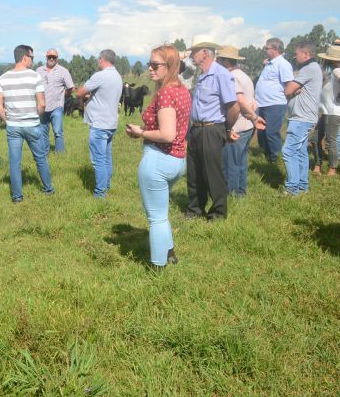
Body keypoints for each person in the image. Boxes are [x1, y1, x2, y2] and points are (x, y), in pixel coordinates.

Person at [125, 45, 191, 268]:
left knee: (156, 217)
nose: (150, 69)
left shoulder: (165, 94)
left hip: (159, 160)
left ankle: (157, 266)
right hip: (178, 159)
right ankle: (169, 252)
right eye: (149, 64)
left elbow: (167, 134)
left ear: (170, 66)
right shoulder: (181, 90)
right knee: (161, 213)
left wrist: (141, 132)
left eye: (156, 65)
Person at [186, 35, 239, 220]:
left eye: (194, 51)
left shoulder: (221, 74)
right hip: (196, 129)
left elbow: (233, 107)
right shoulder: (201, 76)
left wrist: (225, 129)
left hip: (211, 129)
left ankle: (218, 212)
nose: (191, 55)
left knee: (212, 173)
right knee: (194, 172)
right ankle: (195, 209)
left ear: (205, 53)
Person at [0, 45, 54, 203]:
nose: (33, 61)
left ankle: (17, 197)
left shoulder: (3, 78)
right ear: (24, 58)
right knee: (40, 158)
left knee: (14, 162)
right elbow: (42, 104)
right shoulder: (35, 76)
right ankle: (48, 189)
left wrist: (7, 120)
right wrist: (37, 117)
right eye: (32, 58)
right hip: (32, 124)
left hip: (13, 126)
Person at [216, 46, 266, 196]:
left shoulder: (232, 77)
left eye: (219, 59)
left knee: (230, 163)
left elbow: (240, 101)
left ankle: (231, 194)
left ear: (225, 61)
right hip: (247, 126)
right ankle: (240, 192)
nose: (217, 62)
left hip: (236, 126)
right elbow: (253, 100)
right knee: (241, 162)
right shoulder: (244, 75)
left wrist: (254, 117)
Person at [75, 49, 123, 198]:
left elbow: (79, 93)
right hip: (111, 122)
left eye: (98, 59)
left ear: (102, 59)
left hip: (99, 124)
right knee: (107, 157)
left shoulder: (100, 76)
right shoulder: (117, 76)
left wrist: (86, 95)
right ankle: (106, 185)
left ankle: (100, 192)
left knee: (98, 160)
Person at [281, 42, 323, 196]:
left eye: (296, 53)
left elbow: (288, 90)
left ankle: (292, 188)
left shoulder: (309, 68)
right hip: (305, 117)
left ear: (306, 54)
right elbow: (293, 89)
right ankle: (301, 186)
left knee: (288, 150)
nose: (295, 56)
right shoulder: (313, 68)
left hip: (301, 118)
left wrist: (291, 90)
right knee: (299, 152)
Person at [255, 37, 294, 162]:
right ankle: (266, 153)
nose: (265, 50)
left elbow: (289, 84)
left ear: (275, 49)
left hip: (275, 104)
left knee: (271, 132)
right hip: (262, 103)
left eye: (267, 48)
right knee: (261, 131)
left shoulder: (283, 64)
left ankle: (275, 158)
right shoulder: (269, 63)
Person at [36, 48, 74, 153]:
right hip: (42, 106)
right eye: (49, 57)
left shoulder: (63, 71)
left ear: (57, 58)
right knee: (43, 131)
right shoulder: (39, 70)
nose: (51, 59)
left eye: (54, 57)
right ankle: (44, 153)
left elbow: (70, 87)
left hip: (57, 106)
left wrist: (63, 96)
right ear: (46, 57)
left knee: (58, 132)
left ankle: (60, 154)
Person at [314, 42, 340, 176]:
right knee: (315, 138)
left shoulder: (336, 70)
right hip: (326, 111)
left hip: (332, 112)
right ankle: (318, 165)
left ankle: (332, 169)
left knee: (330, 141)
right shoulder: (332, 71)